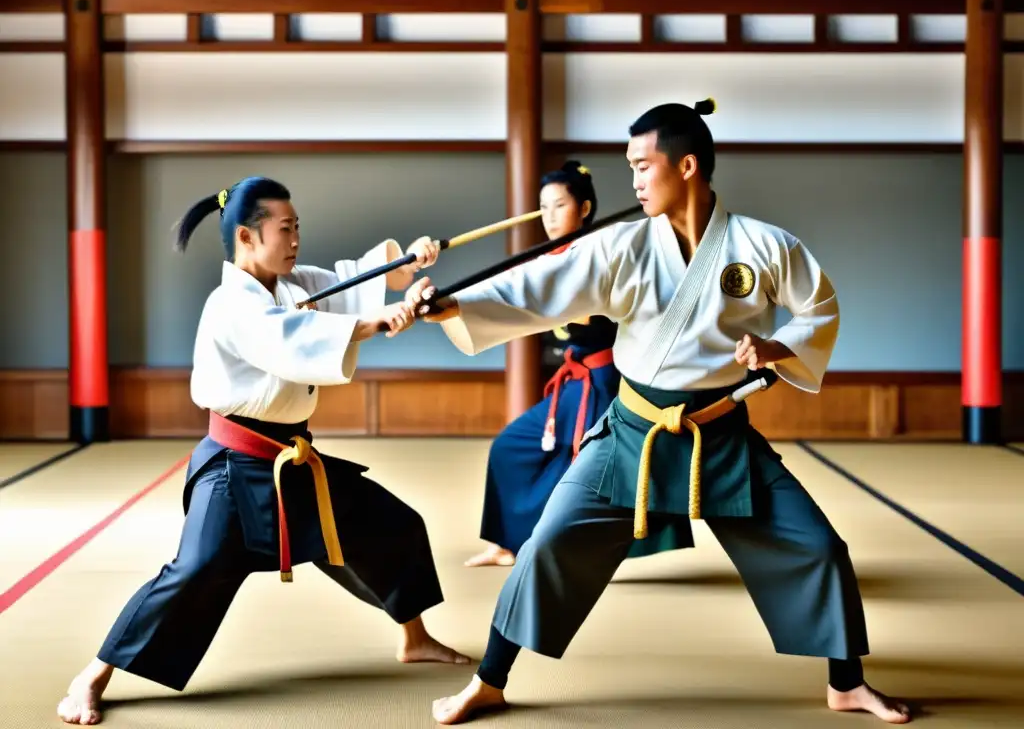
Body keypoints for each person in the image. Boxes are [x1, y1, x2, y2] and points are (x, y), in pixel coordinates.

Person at [401, 102, 912, 725]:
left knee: (818, 546)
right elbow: (538, 289)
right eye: (631, 168)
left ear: (687, 166)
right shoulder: (622, 246)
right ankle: (490, 680)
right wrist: (453, 305)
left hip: (721, 434)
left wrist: (779, 348)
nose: (635, 181)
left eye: (644, 166)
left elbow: (819, 308)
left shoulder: (764, 245)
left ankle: (846, 683)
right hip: (632, 432)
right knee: (548, 543)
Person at [57, 176, 470, 726]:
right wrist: (372, 325)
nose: (296, 237)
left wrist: (410, 265)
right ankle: (93, 674)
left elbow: (356, 279)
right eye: (285, 228)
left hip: (296, 458)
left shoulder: (293, 283)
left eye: (298, 226)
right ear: (248, 238)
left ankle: (413, 638)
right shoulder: (232, 304)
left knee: (387, 523)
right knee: (194, 571)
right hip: (235, 466)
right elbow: (290, 338)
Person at [465, 161, 622, 568]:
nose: (550, 216)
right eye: (543, 208)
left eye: (559, 205)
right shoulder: (550, 258)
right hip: (572, 381)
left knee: (583, 469)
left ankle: (579, 550)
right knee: (509, 448)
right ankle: (506, 544)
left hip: (602, 381)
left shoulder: (599, 254)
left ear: (584, 208)